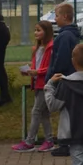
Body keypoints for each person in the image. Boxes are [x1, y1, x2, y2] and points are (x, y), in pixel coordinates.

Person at [12, 21, 56, 152]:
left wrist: (38, 72)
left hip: (45, 83)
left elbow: (50, 67)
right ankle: (49, 141)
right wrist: (29, 71)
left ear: (46, 32)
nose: (36, 33)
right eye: (35, 30)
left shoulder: (51, 47)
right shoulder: (37, 48)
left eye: (39, 30)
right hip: (37, 83)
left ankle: (29, 141)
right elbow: (36, 65)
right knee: (43, 114)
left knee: (36, 111)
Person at [47, 2, 82, 156]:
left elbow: (60, 59)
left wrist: (52, 76)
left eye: (57, 15)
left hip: (65, 79)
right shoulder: (70, 35)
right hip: (71, 77)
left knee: (65, 111)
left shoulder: (65, 36)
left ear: (65, 17)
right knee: (68, 111)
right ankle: (69, 141)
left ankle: (65, 143)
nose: (55, 19)